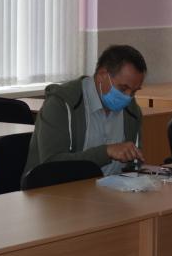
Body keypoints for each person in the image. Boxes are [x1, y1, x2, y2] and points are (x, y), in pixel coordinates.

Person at [22, 45, 147, 180]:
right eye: (123, 88)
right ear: (102, 76)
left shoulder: (132, 111)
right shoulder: (61, 104)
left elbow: (133, 165)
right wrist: (106, 152)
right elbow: (51, 164)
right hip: (56, 189)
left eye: (134, 91)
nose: (128, 97)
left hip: (112, 189)